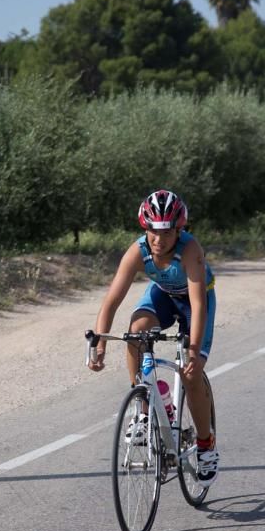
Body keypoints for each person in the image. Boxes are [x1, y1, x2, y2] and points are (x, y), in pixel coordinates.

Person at [88, 190, 219, 486]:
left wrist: (196, 352)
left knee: (191, 373)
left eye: (167, 232)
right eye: (153, 232)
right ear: (145, 228)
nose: (159, 240)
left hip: (194, 302)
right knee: (135, 333)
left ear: (179, 229)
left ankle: (205, 443)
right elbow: (111, 301)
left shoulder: (189, 250)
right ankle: (145, 409)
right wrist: (100, 344)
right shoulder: (138, 251)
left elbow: (198, 305)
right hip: (163, 296)